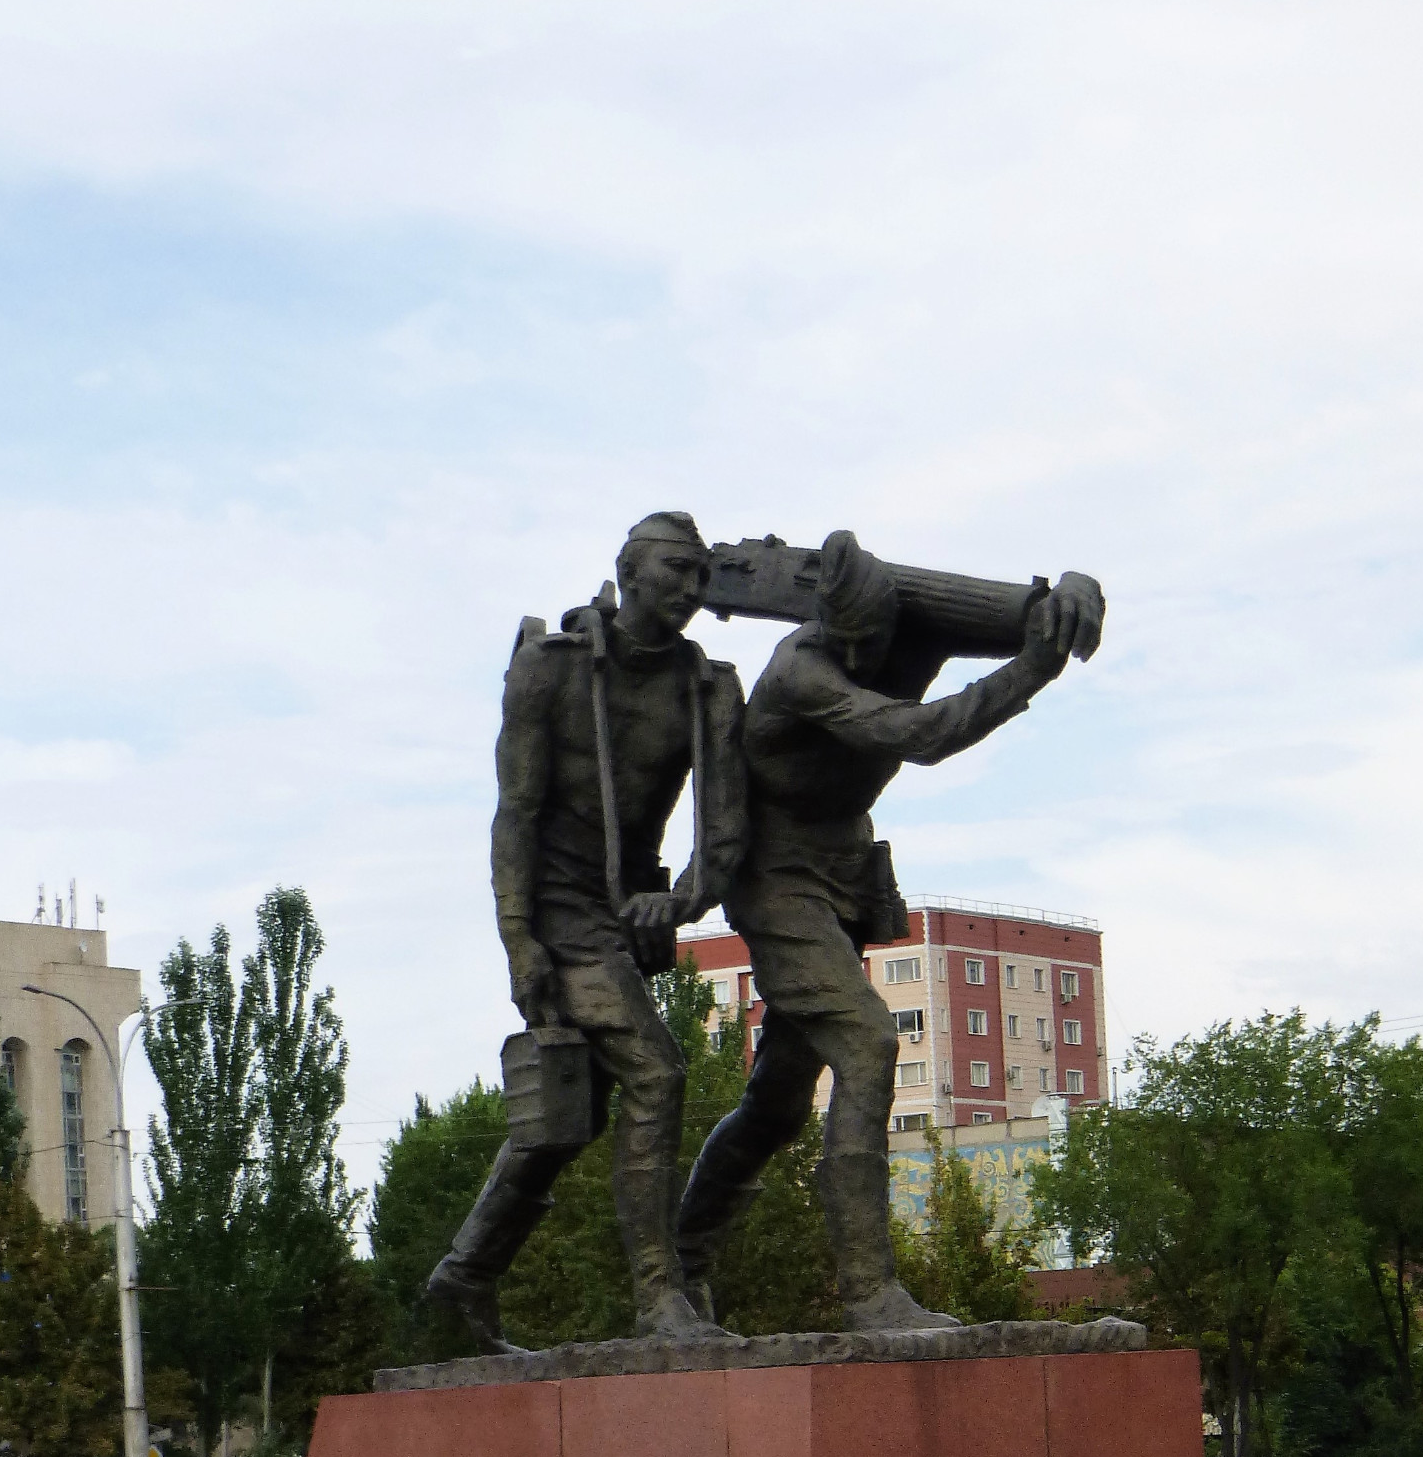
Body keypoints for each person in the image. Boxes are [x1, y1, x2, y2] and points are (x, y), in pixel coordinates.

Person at [677, 529, 1104, 1330]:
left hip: (841, 873)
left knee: (777, 1104)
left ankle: (682, 1256)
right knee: (869, 1042)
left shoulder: (909, 621)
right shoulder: (801, 669)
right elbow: (923, 737)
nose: (867, 650)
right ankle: (870, 1293)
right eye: (851, 639)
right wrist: (1032, 671)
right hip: (775, 879)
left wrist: (1069, 590)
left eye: (875, 637)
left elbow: (1025, 610)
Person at [426, 512, 748, 1354]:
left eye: (700, 574)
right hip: (559, 913)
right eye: (675, 570)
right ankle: (658, 1299)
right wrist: (518, 942)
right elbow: (515, 816)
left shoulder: (707, 688)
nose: (689, 587)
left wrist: (676, 903)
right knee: (658, 1073)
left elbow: (721, 838)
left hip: (623, 918)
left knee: (574, 1115)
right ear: (629, 572)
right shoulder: (551, 671)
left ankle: (464, 1276)